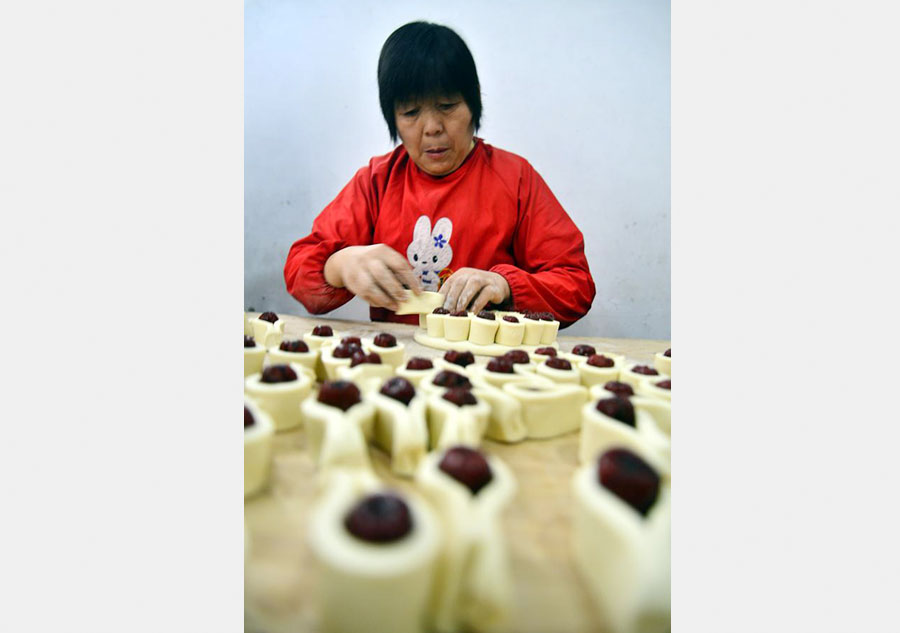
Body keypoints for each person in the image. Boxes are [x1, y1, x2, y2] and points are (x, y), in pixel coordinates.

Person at [284, 21, 595, 327]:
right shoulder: (377, 183)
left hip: (486, 356)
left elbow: (576, 285)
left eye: (447, 105)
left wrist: (505, 285)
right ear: (392, 117)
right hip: (399, 356)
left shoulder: (516, 180)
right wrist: (341, 264)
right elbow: (300, 272)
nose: (432, 128)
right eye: (410, 112)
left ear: (474, 103)